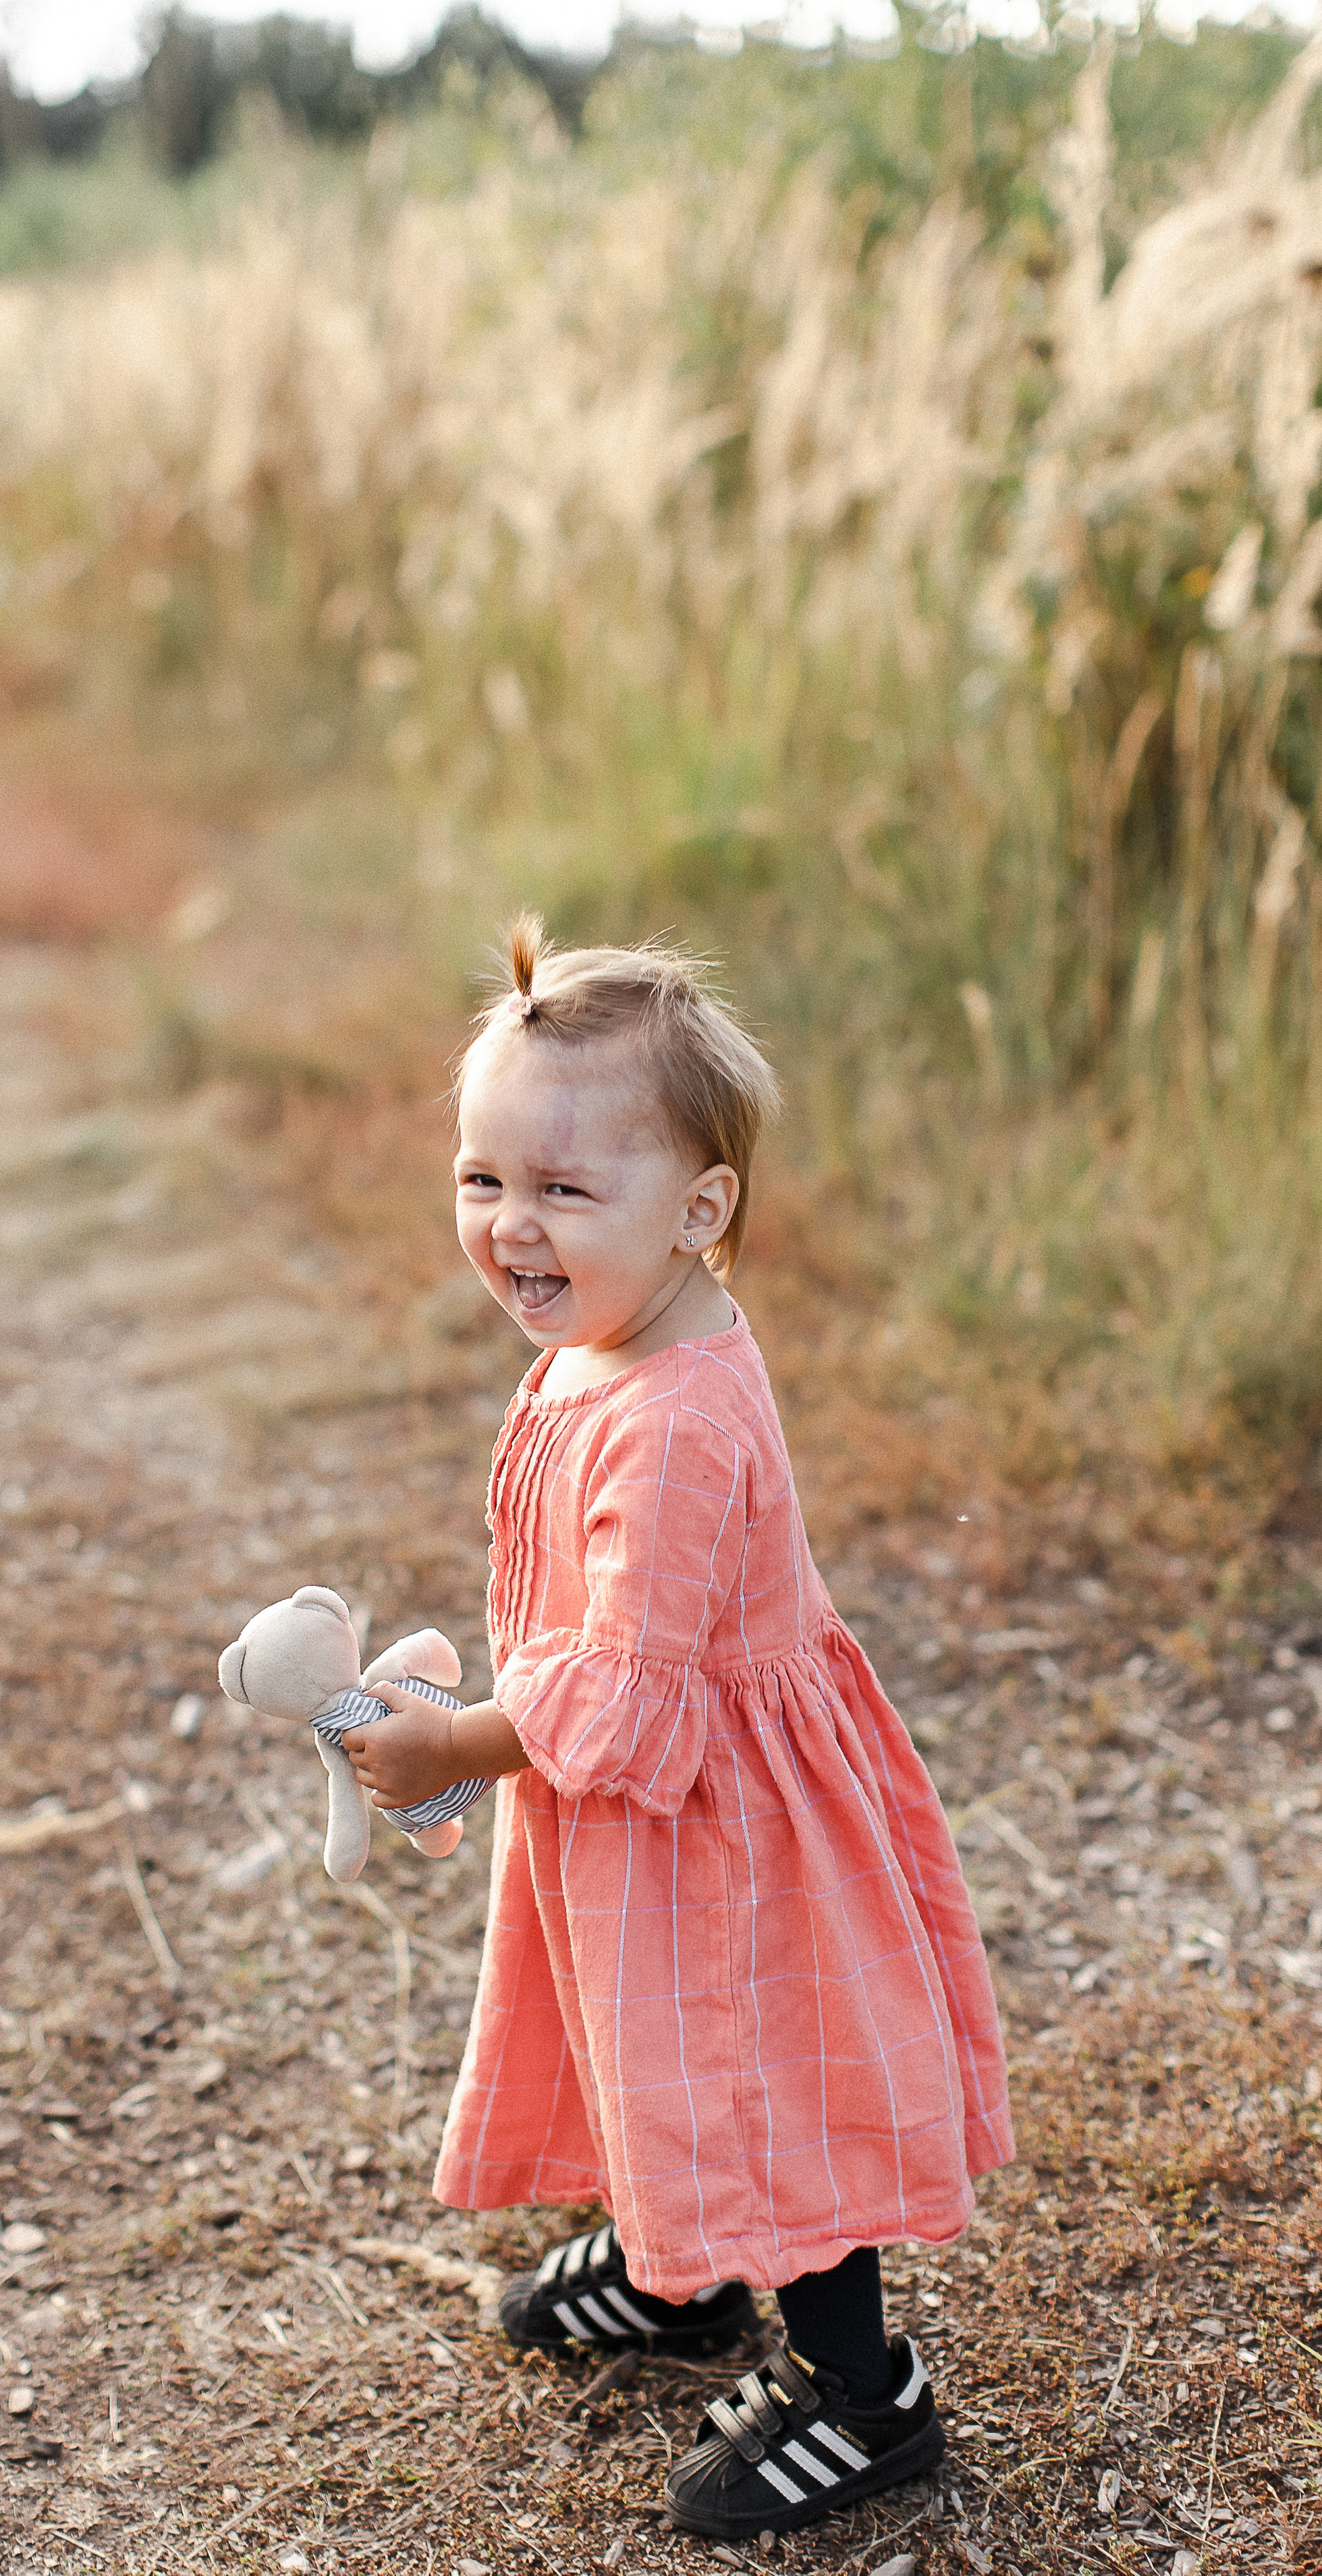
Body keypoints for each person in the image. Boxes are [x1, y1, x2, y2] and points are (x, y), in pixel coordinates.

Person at [344, 914, 1013, 2545]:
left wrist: (457, 1742)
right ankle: (684, 2261)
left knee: (750, 2069)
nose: (511, 1224)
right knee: (641, 2041)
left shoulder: (677, 1413)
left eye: (564, 1189)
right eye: (480, 1177)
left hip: (718, 1827)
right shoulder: (608, 1335)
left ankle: (866, 2395)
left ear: (699, 1209)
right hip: (634, 1800)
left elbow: (631, 1685)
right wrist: (494, 1695)